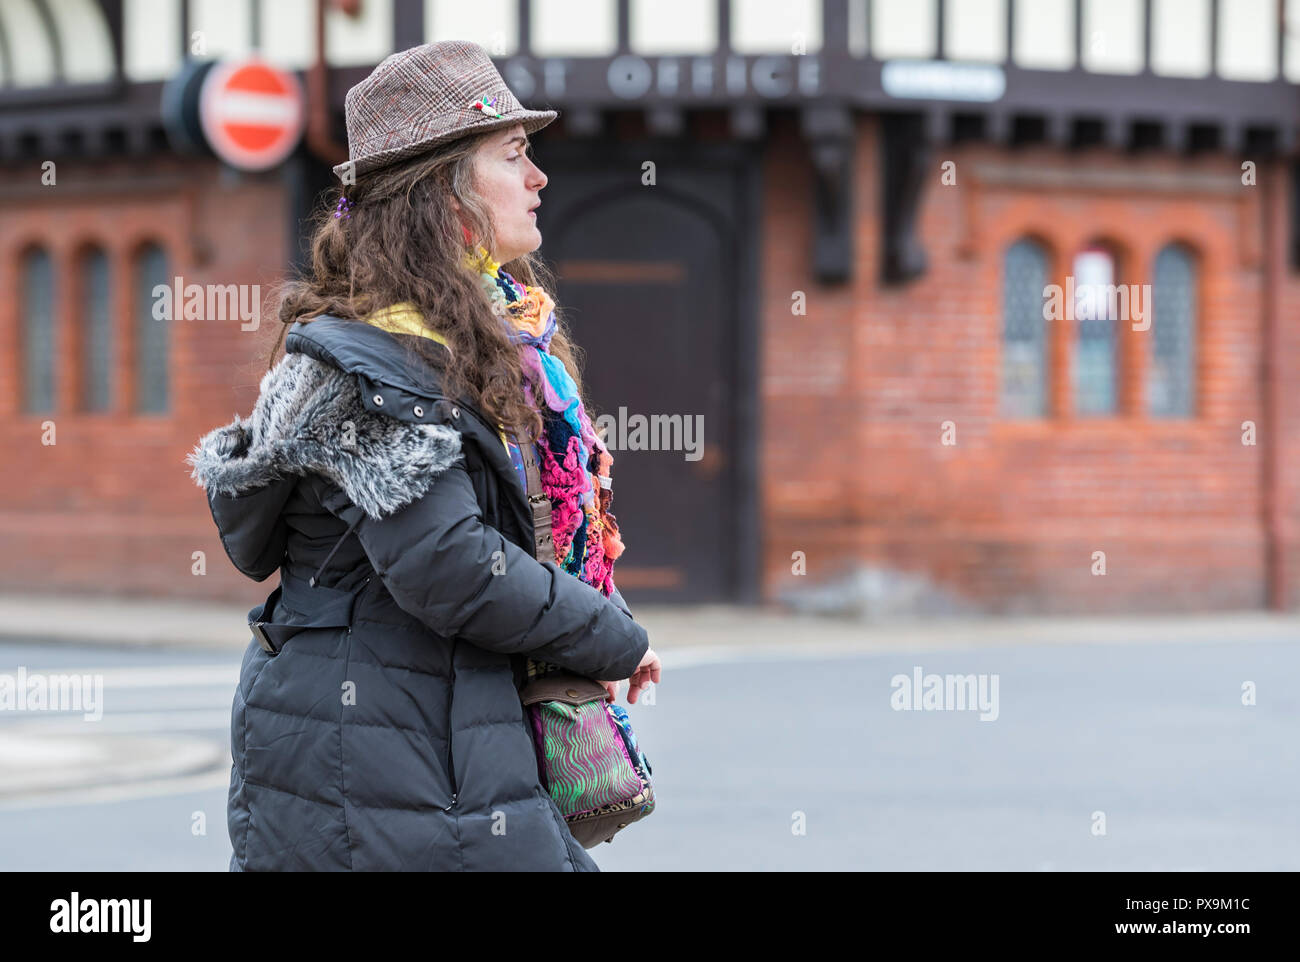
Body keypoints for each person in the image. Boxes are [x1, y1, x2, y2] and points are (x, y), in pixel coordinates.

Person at [186, 40, 660, 872]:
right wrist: (611, 636)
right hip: (376, 770)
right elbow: (450, 566)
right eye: (514, 156)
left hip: (425, 748)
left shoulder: (468, 342)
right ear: (443, 191)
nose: (539, 177)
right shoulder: (374, 363)